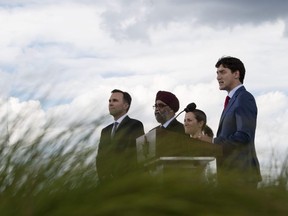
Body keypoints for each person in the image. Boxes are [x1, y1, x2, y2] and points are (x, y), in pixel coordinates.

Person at [200, 56, 262, 188]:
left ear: (236, 74)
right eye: (217, 73)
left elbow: (244, 135)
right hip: (229, 175)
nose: (218, 77)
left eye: (222, 72)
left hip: (242, 176)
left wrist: (212, 142)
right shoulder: (232, 100)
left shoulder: (244, 98)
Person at [96, 89, 145, 183]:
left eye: (115, 100)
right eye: (109, 101)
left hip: (127, 183)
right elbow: (100, 158)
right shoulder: (105, 131)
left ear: (125, 106)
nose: (110, 103)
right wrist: (103, 178)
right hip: (106, 185)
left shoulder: (135, 125)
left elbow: (134, 154)